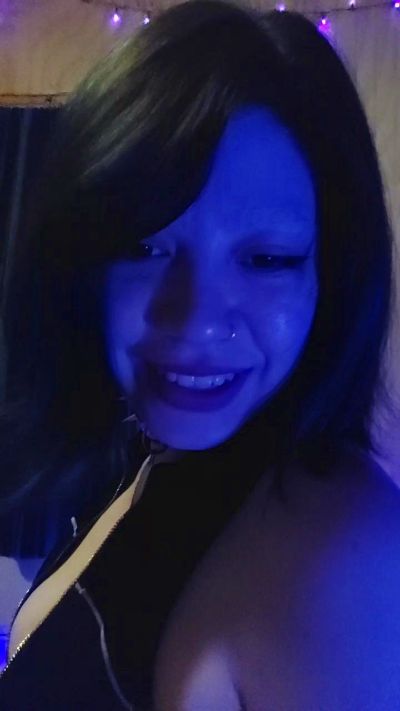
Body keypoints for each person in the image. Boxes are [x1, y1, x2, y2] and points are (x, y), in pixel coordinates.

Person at [0, 0, 399, 707]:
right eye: (145, 246)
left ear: (334, 275)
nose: (194, 320)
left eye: (267, 258)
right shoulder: (161, 455)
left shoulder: (341, 548)